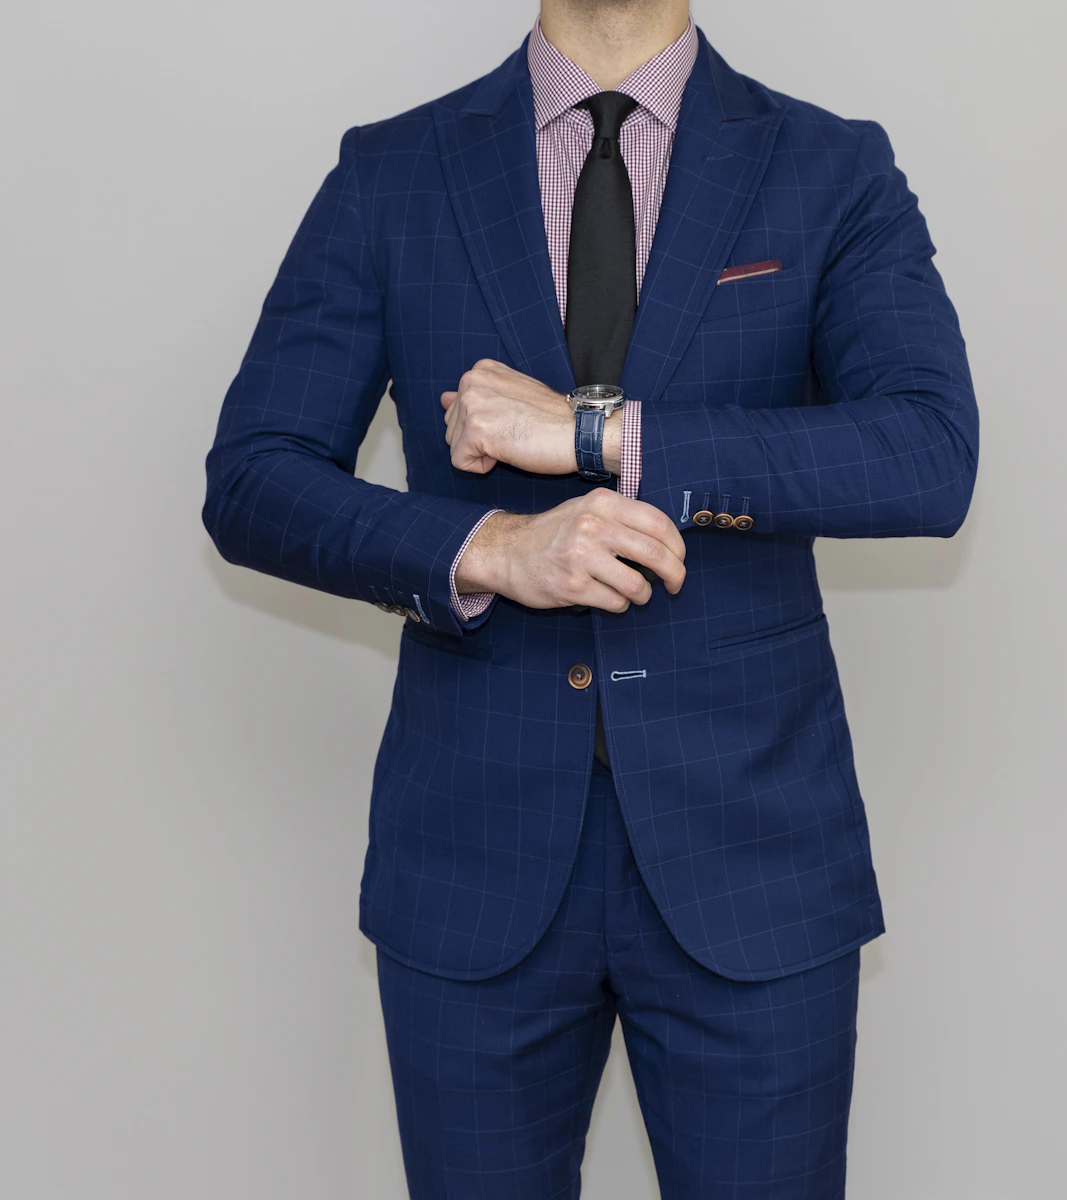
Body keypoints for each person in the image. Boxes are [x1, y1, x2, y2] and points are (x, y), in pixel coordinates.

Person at [202, 0, 978, 1194]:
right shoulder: (392, 171)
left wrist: (598, 435)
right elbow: (254, 477)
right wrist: (491, 549)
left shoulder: (829, 166)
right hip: (471, 858)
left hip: (754, 856)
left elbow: (927, 454)